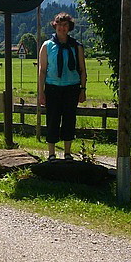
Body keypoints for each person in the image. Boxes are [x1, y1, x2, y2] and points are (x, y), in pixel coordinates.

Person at [38, 12, 87, 160]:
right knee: (52, 119)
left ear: (69, 27)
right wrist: (41, 92)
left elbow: (82, 69)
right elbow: (42, 70)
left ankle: (67, 153)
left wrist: (83, 89)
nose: (62, 28)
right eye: (59, 25)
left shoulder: (76, 46)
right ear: (55, 26)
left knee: (69, 119)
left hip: (72, 88)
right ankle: (51, 153)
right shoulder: (47, 46)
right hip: (52, 87)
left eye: (65, 25)